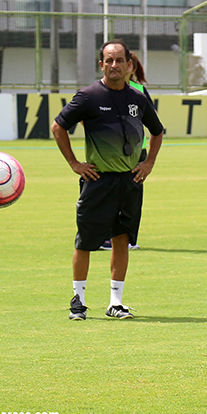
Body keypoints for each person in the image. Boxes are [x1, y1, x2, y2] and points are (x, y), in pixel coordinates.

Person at [52, 39, 165, 320]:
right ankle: (78, 301)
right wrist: (75, 163)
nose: (114, 65)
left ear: (129, 65)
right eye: (109, 61)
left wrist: (148, 163)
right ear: (101, 65)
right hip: (98, 180)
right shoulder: (89, 96)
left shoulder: (138, 98)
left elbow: (158, 131)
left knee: (122, 239)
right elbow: (58, 127)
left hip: (130, 181)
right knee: (85, 241)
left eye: (119, 61)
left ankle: (116, 302)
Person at [99, 51, 150, 252]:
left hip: (137, 151)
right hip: (110, 152)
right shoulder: (102, 89)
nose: (120, 67)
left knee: (131, 196)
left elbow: (151, 120)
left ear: (132, 68)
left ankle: (129, 236)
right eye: (113, 61)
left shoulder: (139, 91)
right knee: (108, 194)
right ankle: (105, 238)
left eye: (126, 64)